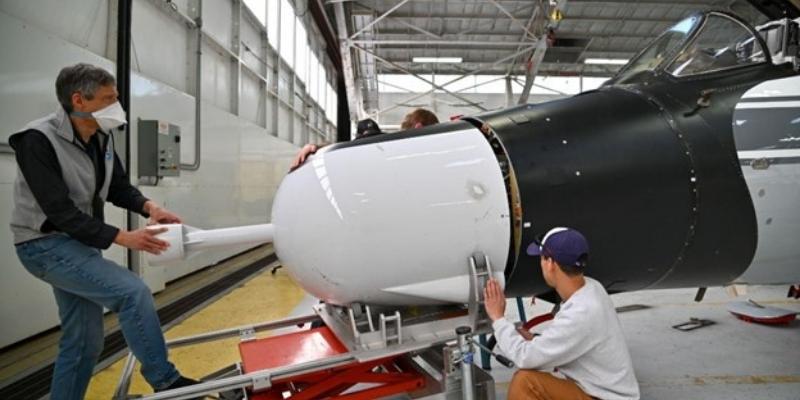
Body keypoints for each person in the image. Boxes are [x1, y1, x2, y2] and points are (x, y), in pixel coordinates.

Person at [9, 63, 198, 399]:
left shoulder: (100, 136)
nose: (118, 107)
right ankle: (166, 382)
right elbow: (59, 212)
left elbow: (118, 187)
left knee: (84, 342)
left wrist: (150, 207)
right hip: (44, 245)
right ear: (79, 100)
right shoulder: (37, 140)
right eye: (109, 99)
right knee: (132, 292)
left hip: (77, 245)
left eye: (117, 98)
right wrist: (124, 238)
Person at [484, 227, 639, 400]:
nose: (541, 263)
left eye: (542, 258)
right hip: (596, 389)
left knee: (525, 382)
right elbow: (571, 338)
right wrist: (534, 339)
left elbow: (525, 358)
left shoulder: (582, 311)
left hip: (603, 396)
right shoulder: (591, 287)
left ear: (550, 264)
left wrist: (498, 318)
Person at [290, 108, 439, 170]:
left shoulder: (387, 147)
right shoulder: (393, 148)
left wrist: (316, 147)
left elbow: (350, 147)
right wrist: (315, 147)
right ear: (419, 128)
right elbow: (353, 146)